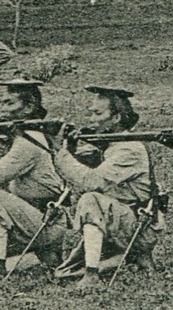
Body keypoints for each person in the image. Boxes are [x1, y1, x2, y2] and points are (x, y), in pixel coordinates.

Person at [52, 85, 160, 287]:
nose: (92, 119)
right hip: (122, 222)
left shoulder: (129, 149)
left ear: (117, 118)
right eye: (91, 113)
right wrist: (73, 150)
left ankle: (92, 275)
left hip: (140, 227)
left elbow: (91, 181)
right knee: (65, 272)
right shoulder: (111, 145)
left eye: (98, 113)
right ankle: (128, 259)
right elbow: (80, 168)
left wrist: (62, 153)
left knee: (90, 199)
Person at [0, 79, 69, 275]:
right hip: (35, 218)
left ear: (29, 107)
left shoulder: (27, 144)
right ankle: (42, 257)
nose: (4, 111)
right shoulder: (31, 135)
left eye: (10, 103)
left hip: (46, 220)